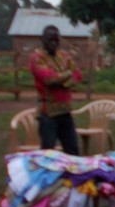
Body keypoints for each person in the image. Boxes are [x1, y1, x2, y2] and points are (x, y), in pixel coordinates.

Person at [29, 25, 82, 154]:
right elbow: (49, 79)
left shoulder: (63, 56)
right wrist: (68, 73)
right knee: (48, 152)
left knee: (73, 150)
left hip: (65, 111)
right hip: (48, 113)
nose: (53, 43)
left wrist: (63, 81)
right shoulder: (37, 58)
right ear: (42, 40)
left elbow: (78, 75)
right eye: (50, 40)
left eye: (56, 40)